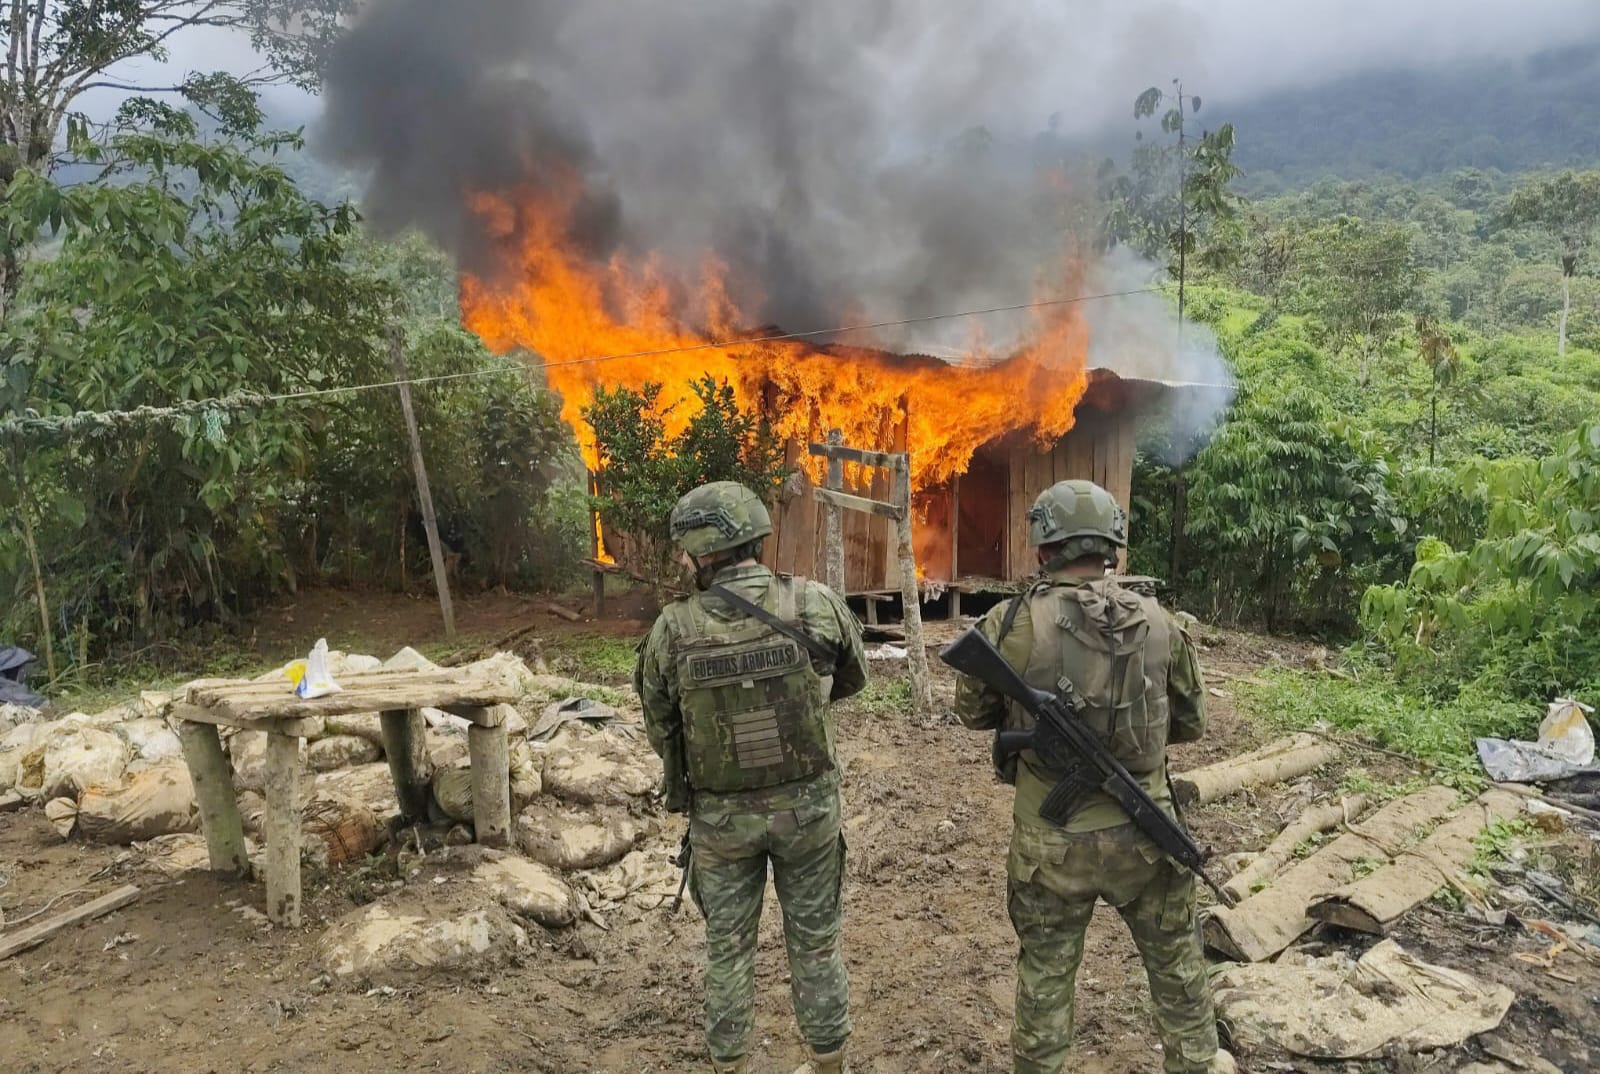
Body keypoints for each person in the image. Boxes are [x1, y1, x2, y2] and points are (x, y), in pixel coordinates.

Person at [951, 479, 1234, 1074]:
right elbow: (1188, 724)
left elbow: (973, 714)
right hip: (1147, 836)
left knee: (1045, 983)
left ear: (1043, 546)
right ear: (1113, 546)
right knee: (1180, 979)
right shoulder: (1162, 622)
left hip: (1050, 846)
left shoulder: (1012, 621)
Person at [635, 480, 869, 1074]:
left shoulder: (672, 629)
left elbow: (661, 725)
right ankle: (829, 1064)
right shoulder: (814, 602)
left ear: (705, 552)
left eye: (687, 550)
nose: (684, 560)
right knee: (816, 945)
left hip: (721, 822)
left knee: (728, 951)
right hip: (808, 813)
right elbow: (850, 679)